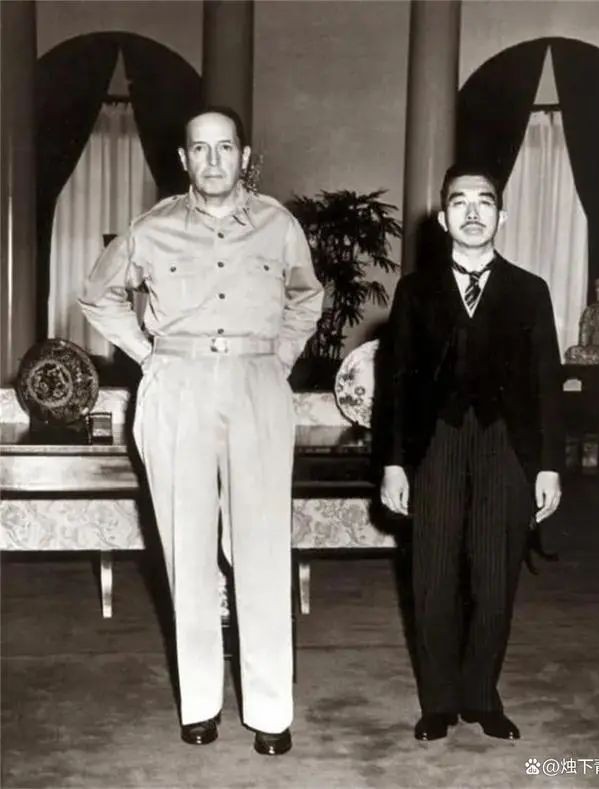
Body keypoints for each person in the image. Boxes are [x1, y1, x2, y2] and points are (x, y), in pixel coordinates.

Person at [79, 107, 323, 756]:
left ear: (245, 156)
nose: (213, 160)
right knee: (186, 549)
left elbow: (307, 297)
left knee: (262, 548)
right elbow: (98, 294)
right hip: (177, 386)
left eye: (225, 147)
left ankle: (270, 710)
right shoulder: (152, 228)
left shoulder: (278, 225)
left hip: (256, 383)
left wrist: (280, 356)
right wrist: (147, 353)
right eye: (200, 149)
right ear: (183, 159)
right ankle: (200, 704)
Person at [379, 164, 563, 742]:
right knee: (433, 576)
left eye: (485, 201)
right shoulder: (415, 291)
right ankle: (438, 701)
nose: (473, 212)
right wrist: (393, 462)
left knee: (494, 576)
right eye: (460, 202)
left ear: (501, 215)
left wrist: (549, 466)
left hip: (505, 446)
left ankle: (482, 696)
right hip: (435, 443)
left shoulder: (530, 291)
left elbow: (547, 385)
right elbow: (395, 385)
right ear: (443, 218)